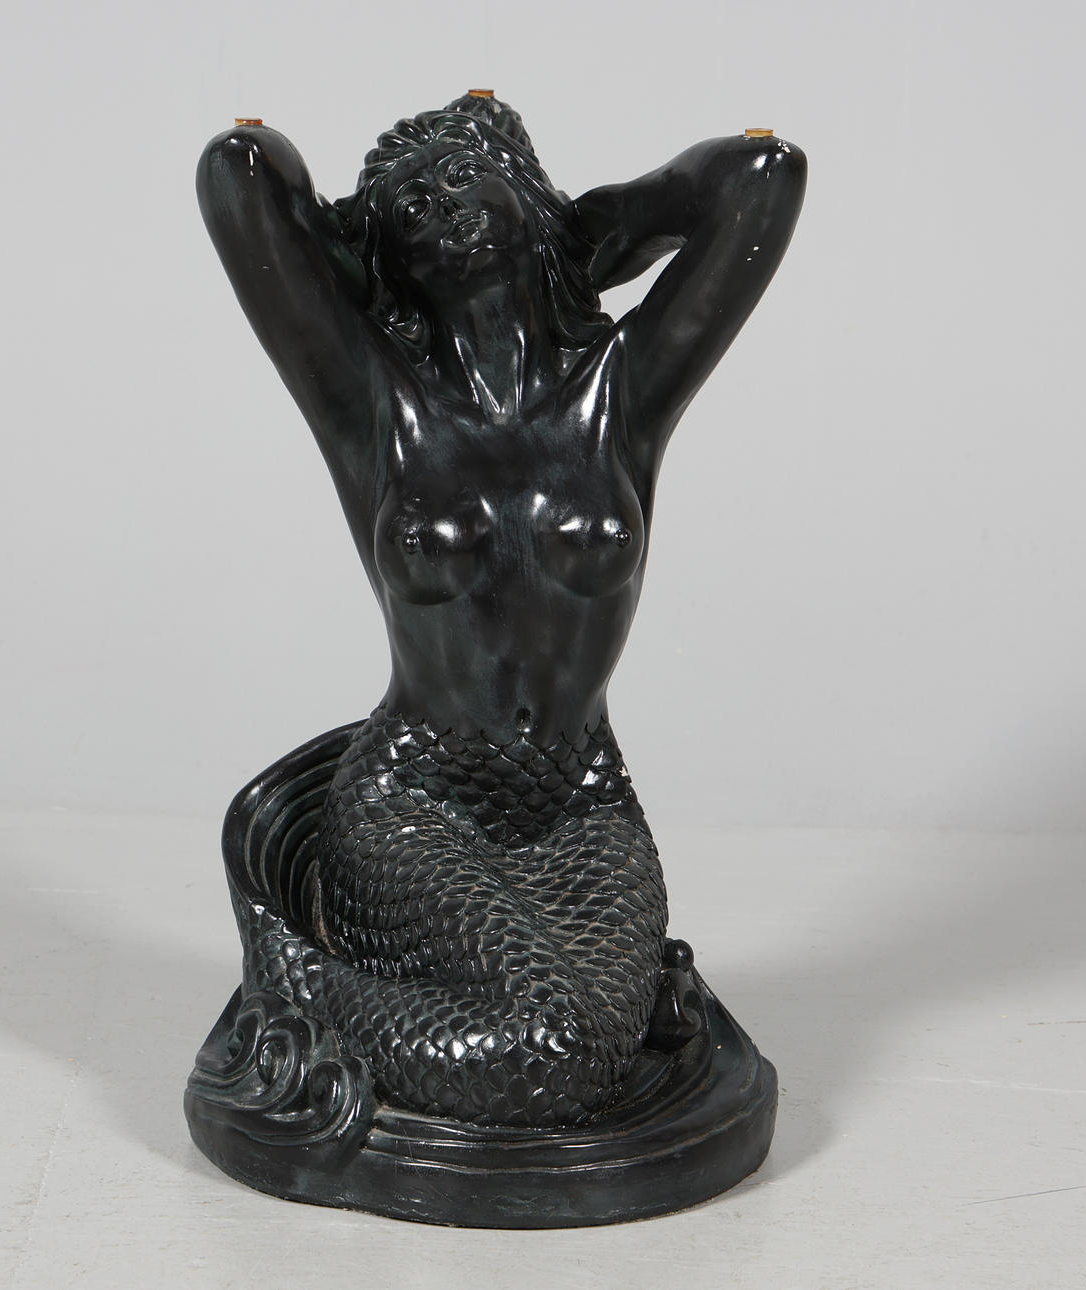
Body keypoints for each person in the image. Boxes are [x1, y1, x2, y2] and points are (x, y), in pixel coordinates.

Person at [197, 93, 806, 1126]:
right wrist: (353, 256)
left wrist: (580, 232)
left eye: (460, 176)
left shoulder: (620, 396)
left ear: (525, 191)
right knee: (552, 1054)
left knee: (588, 1045)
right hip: (415, 795)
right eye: (410, 211)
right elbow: (241, 176)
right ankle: (293, 973)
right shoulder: (377, 407)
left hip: (581, 797)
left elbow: (761, 180)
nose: (441, 209)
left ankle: (321, 989)